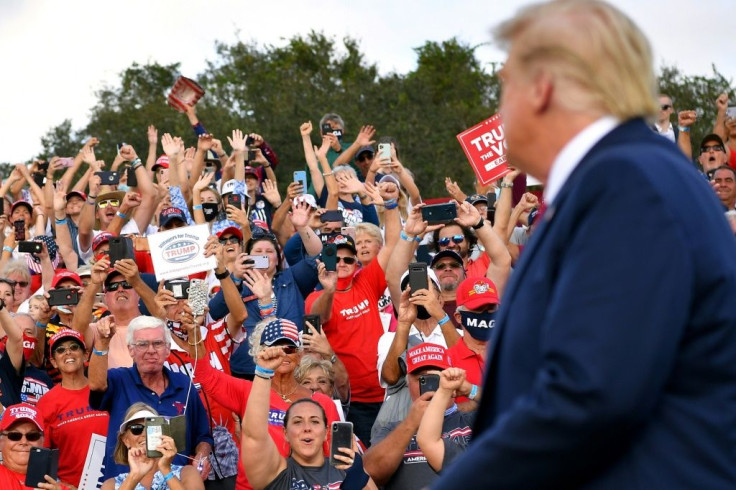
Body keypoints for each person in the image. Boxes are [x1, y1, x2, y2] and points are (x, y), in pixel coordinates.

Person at [435, 1, 736, 488]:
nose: (498, 107)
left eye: (505, 84)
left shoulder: (630, 182)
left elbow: (592, 394)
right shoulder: (619, 177)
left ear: (544, 87)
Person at [183, 317, 342, 489]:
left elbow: (334, 460)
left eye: (289, 348)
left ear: (300, 354)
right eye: (274, 348)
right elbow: (205, 375)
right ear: (261, 352)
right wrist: (194, 334)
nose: (282, 354)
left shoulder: (323, 403)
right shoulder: (247, 392)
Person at [88, 315, 213, 481]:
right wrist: (102, 343)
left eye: (158, 343)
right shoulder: (119, 380)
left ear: (168, 349)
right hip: (126, 483)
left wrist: (201, 455)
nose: (151, 350)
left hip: (173, 482)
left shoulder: (183, 384)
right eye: (142, 344)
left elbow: (203, 436)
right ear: (131, 350)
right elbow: (96, 385)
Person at [240, 345, 369, 490]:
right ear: (285, 433)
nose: (307, 428)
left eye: (314, 421)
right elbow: (254, 435)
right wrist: (263, 373)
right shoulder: (277, 475)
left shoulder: (346, 470)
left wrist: (356, 469)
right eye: (297, 422)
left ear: (326, 431)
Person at [364, 344, 473, 489]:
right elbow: (370, 474)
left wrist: (470, 389)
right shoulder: (392, 428)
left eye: (436, 377)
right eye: (422, 379)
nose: (431, 385)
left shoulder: (471, 420)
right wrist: (410, 423)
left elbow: (510, 410)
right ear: (408, 383)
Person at [37, 329, 109, 488]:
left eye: (74, 347)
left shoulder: (104, 388)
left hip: (116, 483)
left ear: (85, 355)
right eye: (61, 350)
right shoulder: (45, 403)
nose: (68, 352)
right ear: (54, 361)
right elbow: (43, 458)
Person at [102, 402, 204, 490]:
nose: (144, 434)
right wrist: (134, 476)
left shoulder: (187, 473)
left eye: (150, 428)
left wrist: (166, 469)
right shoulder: (111, 485)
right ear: (126, 440)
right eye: (136, 429)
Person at [0, 402, 67, 489]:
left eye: (32, 436)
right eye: (14, 436)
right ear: (1, 441)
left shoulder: (55, 486)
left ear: (43, 442)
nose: (24, 442)